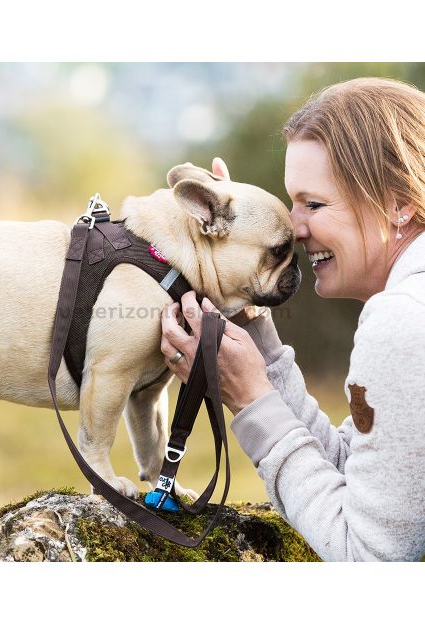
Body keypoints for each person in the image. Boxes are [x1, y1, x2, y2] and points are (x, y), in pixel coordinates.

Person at [160, 77, 425, 562]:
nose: (295, 228)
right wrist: (259, 345)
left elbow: (368, 556)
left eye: (314, 204)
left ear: (399, 203)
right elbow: (367, 478)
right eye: (292, 202)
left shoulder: (403, 320)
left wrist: (251, 399)